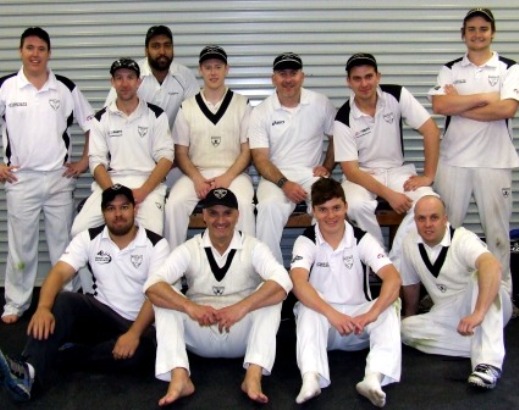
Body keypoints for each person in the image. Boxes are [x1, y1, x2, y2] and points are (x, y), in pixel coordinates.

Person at [0, 184, 170, 402]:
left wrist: (133, 334)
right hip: (101, 315)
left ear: (134, 210)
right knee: (64, 301)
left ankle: (64, 356)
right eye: (111, 208)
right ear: (103, 213)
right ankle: (28, 372)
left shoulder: (156, 244)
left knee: (141, 355)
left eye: (124, 207)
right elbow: (59, 272)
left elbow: (156, 296)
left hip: (139, 323)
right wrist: (42, 308)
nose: (118, 214)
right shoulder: (88, 238)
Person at [144, 187, 292, 406]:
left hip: (241, 332)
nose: (220, 220)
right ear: (203, 215)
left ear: (237, 215)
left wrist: (241, 307)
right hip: (200, 328)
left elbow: (283, 281)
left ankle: (253, 375)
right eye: (213, 213)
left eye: (227, 213)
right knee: (166, 297)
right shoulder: (189, 248)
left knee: (271, 295)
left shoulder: (253, 247)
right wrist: (189, 307)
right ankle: (179, 376)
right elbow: (152, 285)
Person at [0, 27, 94, 324]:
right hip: (20, 180)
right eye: (30, 48)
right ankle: (16, 304)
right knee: (21, 247)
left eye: (41, 49)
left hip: (58, 179)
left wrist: (84, 161)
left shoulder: (64, 87)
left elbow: (92, 124)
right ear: (20, 51)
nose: (35, 54)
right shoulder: (6, 87)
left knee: (63, 246)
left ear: (49, 53)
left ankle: (65, 301)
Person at [428, 8, 519, 298]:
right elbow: (440, 106)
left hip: (494, 162)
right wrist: (485, 98)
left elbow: (507, 109)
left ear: (492, 33)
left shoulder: (510, 68)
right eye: (471, 29)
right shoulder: (450, 69)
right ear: (463, 34)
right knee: (445, 230)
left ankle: (501, 294)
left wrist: (461, 103)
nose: (477, 34)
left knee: (496, 233)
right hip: (453, 161)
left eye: (483, 29)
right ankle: (445, 292)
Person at [290, 178, 401, 407]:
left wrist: (372, 313)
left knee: (389, 307)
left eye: (336, 208)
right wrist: (332, 314)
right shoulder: (306, 240)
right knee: (307, 307)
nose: (331, 216)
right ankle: (311, 378)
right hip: (325, 326)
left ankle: (373, 378)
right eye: (323, 210)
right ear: (313, 211)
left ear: (346, 207)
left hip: (358, 323)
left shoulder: (361, 238)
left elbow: (392, 277)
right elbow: (298, 283)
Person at [334, 53, 440, 270]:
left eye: (369, 76)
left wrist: (428, 176)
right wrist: (389, 195)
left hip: (395, 171)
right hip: (361, 175)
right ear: (348, 82)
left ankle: (394, 259)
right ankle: (378, 261)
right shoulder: (343, 117)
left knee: (427, 201)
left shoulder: (397, 95)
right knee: (355, 205)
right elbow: (351, 171)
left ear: (378, 76)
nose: (364, 84)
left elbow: (430, 130)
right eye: (357, 78)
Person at [400, 195, 512, 389]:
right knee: (405, 329)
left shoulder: (462, 238)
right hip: (449, 312)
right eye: (421, 218)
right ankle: (484, 342)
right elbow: (410, 284)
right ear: (415, 220)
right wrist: (410, 315)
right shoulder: (410, 242)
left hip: (488, 304)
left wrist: (478, 313)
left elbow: (492, 266)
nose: (427, 224)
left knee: (480, 275)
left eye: (434, 217)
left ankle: (488, 364)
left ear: (445, 219)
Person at [164, 45, 255, 250]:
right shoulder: (186, 107)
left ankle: (249, 273)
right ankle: (172, 277)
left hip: (234, 174)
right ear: (200, 70)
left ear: (226, 69)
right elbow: (180, 153)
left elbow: (247, 150)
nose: (213, 72)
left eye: (218, 67)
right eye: (208, 67)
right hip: (197, 174)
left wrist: (227, 177)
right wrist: (197, 179)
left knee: (245, 206)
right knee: (173, 206)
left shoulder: (242, 104)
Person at [72, 58, 173, 239]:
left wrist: (142, 192)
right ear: (112, 82)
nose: (124, 83)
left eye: (130, 78)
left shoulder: (156, 115)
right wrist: (115, 196)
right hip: (110, 186)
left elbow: (166, 158)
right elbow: (96, 162)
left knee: (152, 236)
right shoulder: (101, 118)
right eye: (119, 78)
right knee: (78, 232)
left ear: (139, 82)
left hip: (147, 186)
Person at [249, 52, 336, 264]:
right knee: (268, 208)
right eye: (282, 74)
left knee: (328, 204)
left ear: (302, 76)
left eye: (293, 73)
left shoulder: (320, 102)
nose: (288, 79)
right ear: (273, 79)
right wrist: (285, 184)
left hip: (310, 173)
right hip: (275, 176)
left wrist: (327, 167)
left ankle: (324, 271)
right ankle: (272, 279)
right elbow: (260, 159)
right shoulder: (261, 111)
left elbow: (338, 138)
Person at [104, 25, 199, 188]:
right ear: (146, 51)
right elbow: (110, 116)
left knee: (175, 205)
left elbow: (196, 119)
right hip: (137, 160)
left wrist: (178, 156)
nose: (162, 51)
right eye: (155, 46)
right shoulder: (132, 75)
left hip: (175, 159)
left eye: (167, 45)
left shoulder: (185, 76)